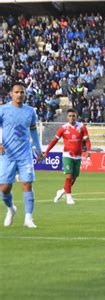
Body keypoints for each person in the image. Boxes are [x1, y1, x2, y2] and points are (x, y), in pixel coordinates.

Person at [0, 82, 44, 228]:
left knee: (27, 184)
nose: (20, 94)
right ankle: (11, 208)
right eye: (17, 92)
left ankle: (28, 218)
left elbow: (33, 131)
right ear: (11, 94)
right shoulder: (3, 110)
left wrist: (38, 149)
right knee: (5, 188)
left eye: (22, 92)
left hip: (25, 153)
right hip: (7, 154)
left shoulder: (30, 111)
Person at [43, 108, 91, 205]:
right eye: (70, 116)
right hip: (67, 155)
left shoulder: (82, 127)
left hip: (78, 156)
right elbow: (54, 141)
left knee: (74, 178)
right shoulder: (63, 128)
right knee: (68, 176)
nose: (72, 118)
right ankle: (69, 197)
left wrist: (89, 150)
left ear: (76, 116)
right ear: (67, 117)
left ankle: (61, 191)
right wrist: (46, 152)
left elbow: (87, 140)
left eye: (73, 116)